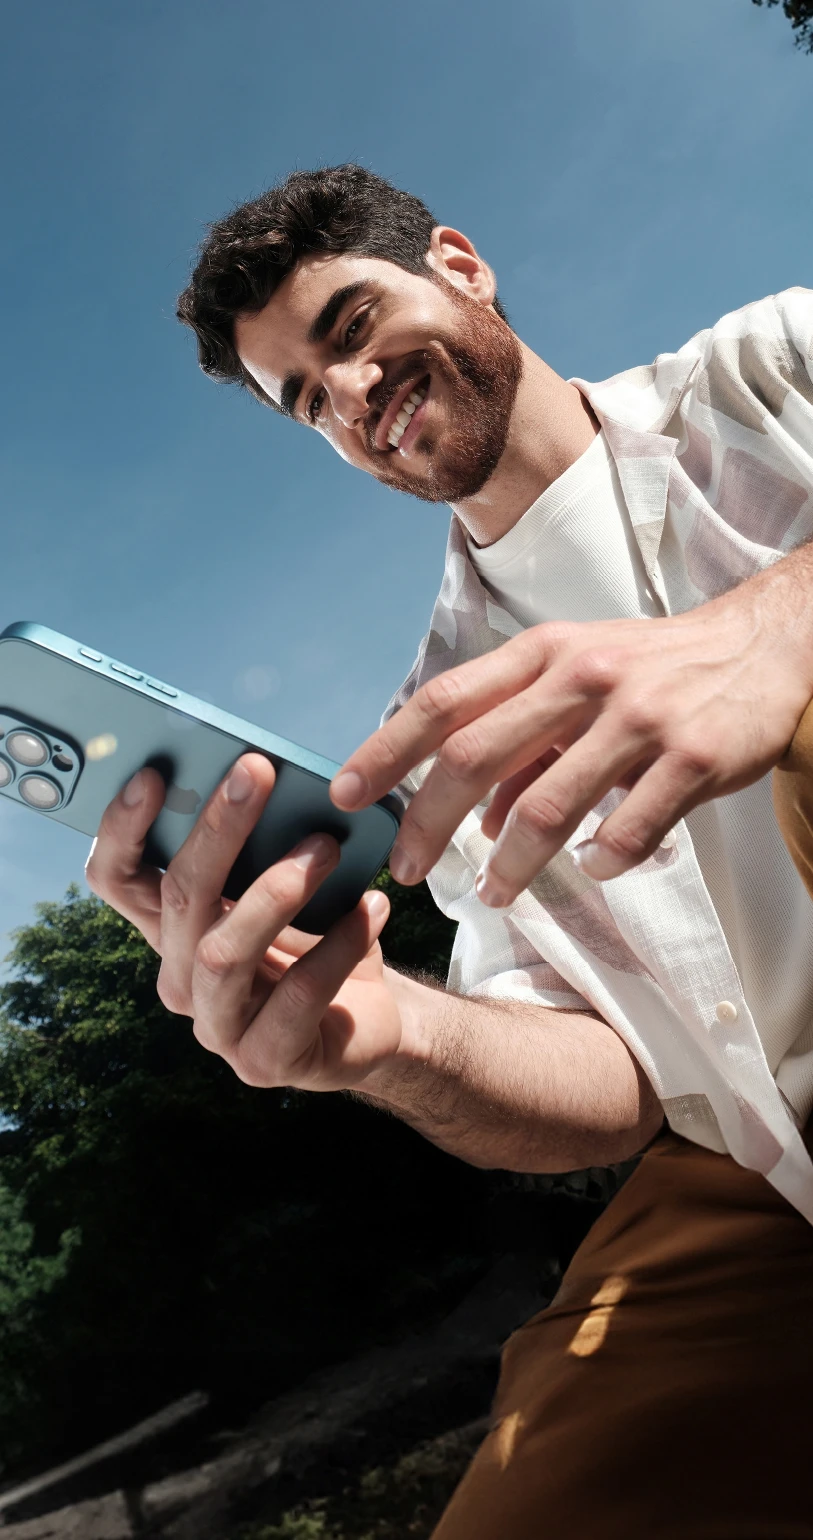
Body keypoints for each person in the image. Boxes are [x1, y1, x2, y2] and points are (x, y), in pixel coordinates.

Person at [86, 165, 813, 1536]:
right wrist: (383, 1041)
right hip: (762, 1166)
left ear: (462, 266)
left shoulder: (774, 371)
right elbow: (614, 1083)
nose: (351, 396)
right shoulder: (435, 742)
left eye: (352, 326)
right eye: (307, 399)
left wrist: (779, 623)